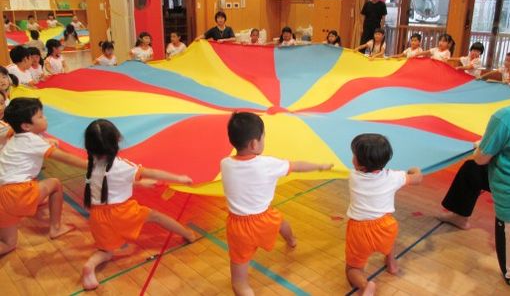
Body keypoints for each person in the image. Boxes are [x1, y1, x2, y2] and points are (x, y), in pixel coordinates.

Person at [221, 112, 332, 295]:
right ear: (254, 144)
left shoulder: (224, 163)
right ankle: (291, 239)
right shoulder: (268, 164)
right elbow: (296, 166)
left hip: (238, 227)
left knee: (239, 282)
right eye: (263, 137)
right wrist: (320, 166)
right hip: (266, 219)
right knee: (280, 222)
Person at [80, 119, 195, 290]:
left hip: (98, 216)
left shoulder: (92, 165)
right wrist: (179, 178)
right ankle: (188, 234)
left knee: (106, 251)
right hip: (120, 211)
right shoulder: (121, 166)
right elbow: (150, 172)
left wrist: (139, 184)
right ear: (117, 140)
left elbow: (108, 184)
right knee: (156, 216)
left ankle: (90, 265)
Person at [0, 98, 88, 255]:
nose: (45, 118)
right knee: (55, 184)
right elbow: (65, 158)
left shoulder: (14, 133)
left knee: (8, 244)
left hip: (2, 197)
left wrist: (45, 141)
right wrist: (91, 165)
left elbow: (25, 141)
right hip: (18, 195)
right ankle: (56, 228)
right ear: (26, 126)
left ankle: (32, 203)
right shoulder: (33, 141)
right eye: (40, 116)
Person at [346, 134, 422, 295]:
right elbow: (418, 178)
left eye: (354, 155)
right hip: (386, 226)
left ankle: (365, 286)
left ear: (358, 163)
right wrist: (414, 170)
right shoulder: (393, 177)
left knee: (352, 269)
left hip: (360, 231)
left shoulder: (353, 176)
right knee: (389, 241)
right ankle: (392, 263)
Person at [469, 106, 510, 284]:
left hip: (507, 193)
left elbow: (481, 159)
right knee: (467, 173)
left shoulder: (504, 117)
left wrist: (480, 147)